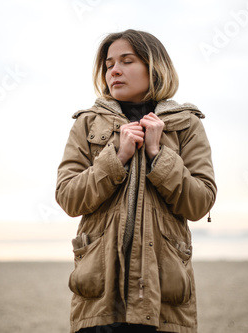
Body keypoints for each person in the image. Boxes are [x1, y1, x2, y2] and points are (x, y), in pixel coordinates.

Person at [56, 29, 217, 333]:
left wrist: (159, 155)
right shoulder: (86, 123)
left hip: (163, 297)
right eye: (108, 64)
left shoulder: (186, 124)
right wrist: (116, 158)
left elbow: (200, 202)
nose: (113, 70)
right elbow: (68, 197)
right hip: (99, 297)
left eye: (126, 61)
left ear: (153, 67)